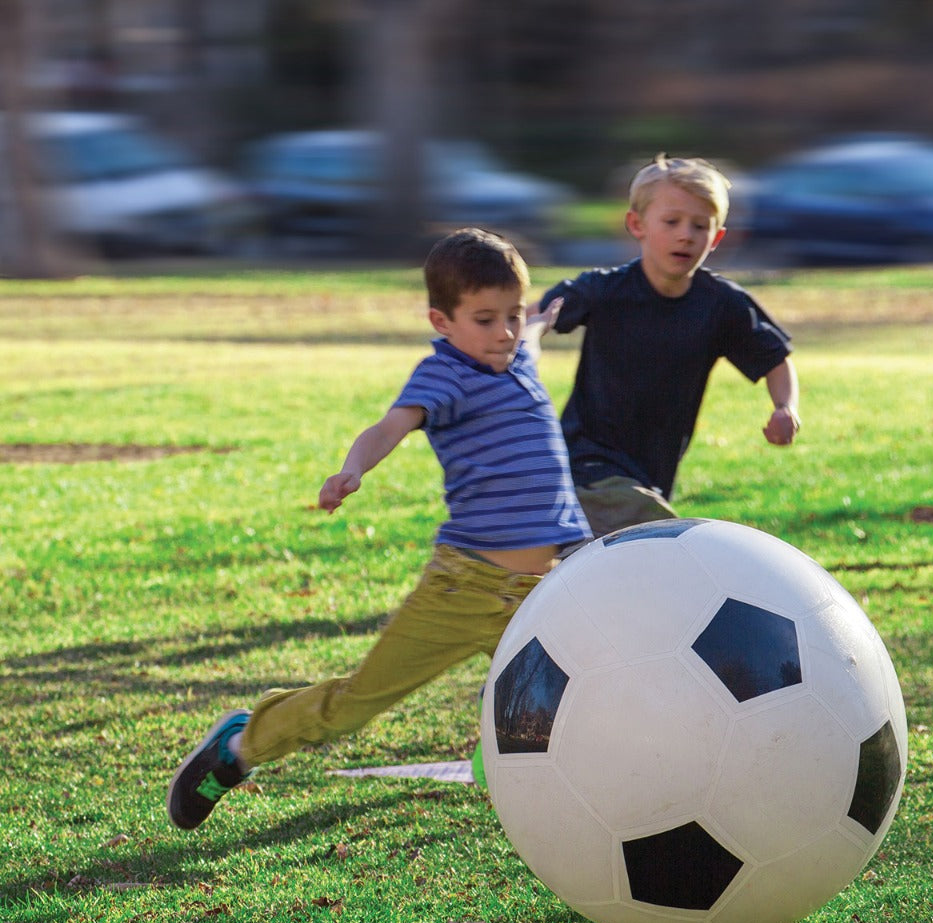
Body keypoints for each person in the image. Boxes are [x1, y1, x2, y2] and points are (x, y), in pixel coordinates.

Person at [168, 228, 590, 830]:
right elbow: (389, 427)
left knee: (581, 697)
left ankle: (533, 786)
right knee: (354, 706)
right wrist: (352, 469)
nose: (502, 331)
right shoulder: (444, 376)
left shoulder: (515, 352)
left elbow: (530, 336)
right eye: (484, 318)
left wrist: (542, 320)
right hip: (463, 589)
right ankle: (240, 746)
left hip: (538, 593)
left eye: (512, 314)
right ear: (441, 322)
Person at [538, 153, 801, 538]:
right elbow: (534, 317)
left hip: (651, 475)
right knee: (661, 544)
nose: (685, 235)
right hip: (585, 464)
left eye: (700, 226)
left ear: (717, 238)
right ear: (636, 224)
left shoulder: (721, 304)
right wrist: (514, 344)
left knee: (603, 564)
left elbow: (775, 359)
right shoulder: (604, 290)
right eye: (672, 221)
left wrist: (785, 408)